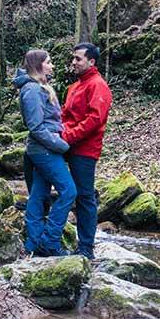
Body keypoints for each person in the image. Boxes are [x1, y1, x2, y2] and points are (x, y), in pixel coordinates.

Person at [14, 49, 76, 257]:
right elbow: (36, 127)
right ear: (39, 65)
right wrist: (62, 145)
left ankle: (34, 245)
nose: (53, 65)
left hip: (43, 149)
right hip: (45, 150)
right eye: (49, 62)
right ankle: (49, 242)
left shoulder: (39, 87)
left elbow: (50, 122)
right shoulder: (32, 89)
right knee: (69, 191)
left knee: (39, 195)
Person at [60, 43, 113, 259]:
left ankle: (86, 248)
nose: (73, 62)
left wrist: (68, 136)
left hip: (84, 150)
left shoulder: (97, 85)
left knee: (84, 196)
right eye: (73, 58)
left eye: (78, 59)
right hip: (65, 144)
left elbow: (94, 120)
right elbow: (64, 115)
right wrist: (56, 135)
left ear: (91, 62)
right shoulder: (75, 87)